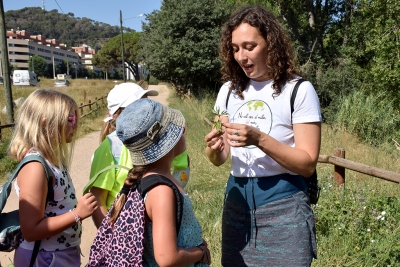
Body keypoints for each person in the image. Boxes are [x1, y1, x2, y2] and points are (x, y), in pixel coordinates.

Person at [204, 6, 321, 267]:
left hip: (285, 206)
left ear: (271, 44)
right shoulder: (227, 91)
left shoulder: (299, 90)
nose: (241, 56)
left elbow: (307, 163)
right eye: (235, 48)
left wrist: (259, 139)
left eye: (249, 46)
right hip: (237, 206)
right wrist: (214, 148)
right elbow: (219, 158)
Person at [111, 98, 211, 266]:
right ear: (168, 141)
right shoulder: (161, 191)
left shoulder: (154, 180)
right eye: (181, 129)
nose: (184, 132)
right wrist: (200, 253)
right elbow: (166, 257)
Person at [9, 89, 98, 266]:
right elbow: (30, 230)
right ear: (46, 124)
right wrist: (77, 214)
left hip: (59, 255)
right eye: (70, 120)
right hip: (44, 258)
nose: (76, 125)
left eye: (76, 119)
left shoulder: (53, 161)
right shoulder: (35, 167)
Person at [88, 82, 190, 228]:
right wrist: (109, 239)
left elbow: (182, 170)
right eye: (138, 103)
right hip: (124, 236)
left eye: (147, 101)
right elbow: (97, 198)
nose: (146, 108)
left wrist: (166, 200)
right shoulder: (109, 148)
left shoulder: (161, 137)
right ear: (118, 115)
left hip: (161, 224)